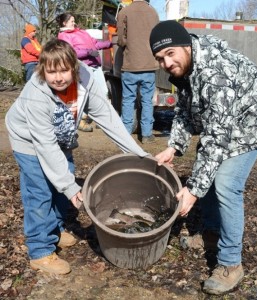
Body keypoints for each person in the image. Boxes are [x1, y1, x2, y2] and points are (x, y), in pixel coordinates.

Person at [149, 20, 257, 295]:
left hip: (252, 124)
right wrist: (173, 146)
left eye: (170, 53)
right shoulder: (186, 69)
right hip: (226, 125)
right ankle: (211, 233)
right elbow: (185, 113)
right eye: (160, 58)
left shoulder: (215, 71)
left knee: (225, 183)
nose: (166, 63)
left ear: (185, 45)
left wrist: (193, 191)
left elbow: (217, 138)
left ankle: (231, 263)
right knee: (206, 167)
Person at [5, 39, 148, 275]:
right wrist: (70, 187)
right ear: (42, 70)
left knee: (64, 180)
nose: (58, 77)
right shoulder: (36, 93)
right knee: (40, 191)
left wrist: (137, 154)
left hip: (61, 135)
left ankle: (55, 229)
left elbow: (107, 117)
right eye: (51, 72)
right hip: (29, 141)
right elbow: (45, 145)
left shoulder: (87, 79)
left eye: (63, 70)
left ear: (74, 66)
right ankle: (40, 250)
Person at [56, 12, 112, 132]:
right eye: (71, 20)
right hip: (83, 66)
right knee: (82, 94)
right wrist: (88, 52)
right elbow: (71, 52)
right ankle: (80, 120)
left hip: (95, 65)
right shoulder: (63, 36)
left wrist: (109, 44)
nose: (74, 22)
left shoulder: (81, 32)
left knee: (103, 92)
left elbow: (95, 44)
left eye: (74, 20)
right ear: (64, 23)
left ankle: (102, 119)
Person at [116, 0, 159, 144]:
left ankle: (126, 134)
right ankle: (146, 134)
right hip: (149, 64)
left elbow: (121, 39)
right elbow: (156, 38)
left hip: (131, 64)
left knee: (128, 100)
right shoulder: (153, 12)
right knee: (147, 100)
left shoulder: (124, 12)